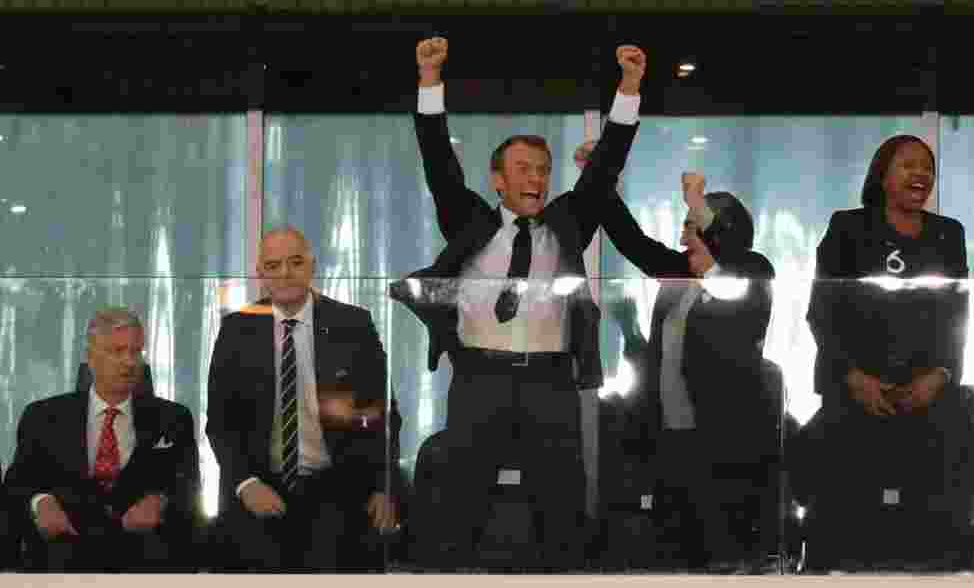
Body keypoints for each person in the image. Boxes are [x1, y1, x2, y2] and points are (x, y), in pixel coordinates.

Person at [389, 37, 644, 570]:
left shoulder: (567, 222)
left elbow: (606, 164)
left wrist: (628, 90)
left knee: (561, 510)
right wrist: (429, 81)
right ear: (498, 180)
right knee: (461, 507)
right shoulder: (471, 219)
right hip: (480, 379)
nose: (535, 179)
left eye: (542, 170)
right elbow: (438, 162)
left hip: (549, 382)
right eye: (523, 169)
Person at [806, 135, 974, 567]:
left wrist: (940, 375)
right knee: (851, 528)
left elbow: (956, 313)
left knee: (926, 525)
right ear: (882, 176)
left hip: (926, 394)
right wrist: (852, 376)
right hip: (855, 391)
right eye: (908, 165)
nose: (921, 174)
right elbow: (822, 312)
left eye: (927, 167)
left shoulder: (948, 234)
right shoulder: (848, 227)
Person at [592, 164, 775, 569]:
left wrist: (699, 205)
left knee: (720, 554)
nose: (681, 236)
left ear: (719, 231)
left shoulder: (753, 271)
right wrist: (598, 178)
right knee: (674, 554)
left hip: (722, 442)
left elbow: (732, 297)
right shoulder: (681, 274)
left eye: (690, 226)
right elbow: (631, 241)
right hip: (669, 438)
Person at [206, 226, 400, 572]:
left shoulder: (352, 324)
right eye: (274, 265)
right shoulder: (237, 330)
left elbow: (383, 413)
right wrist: (245, 483)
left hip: (336, 484)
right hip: (261, 482)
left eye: (295, 262)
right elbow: (221, 423)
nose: (285, 273)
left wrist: (383, 486)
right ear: (260, 274)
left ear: (312, 265)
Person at [3, 307, 199, 572]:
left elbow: (189, 489)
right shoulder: (43, 417)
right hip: (63, 562)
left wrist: (162, 502)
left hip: (146, 563)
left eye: (136, 352)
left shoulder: (174, 418)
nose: (130, 362)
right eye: (117, 351)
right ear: (90, 358)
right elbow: (16, 485)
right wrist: (40, 502)